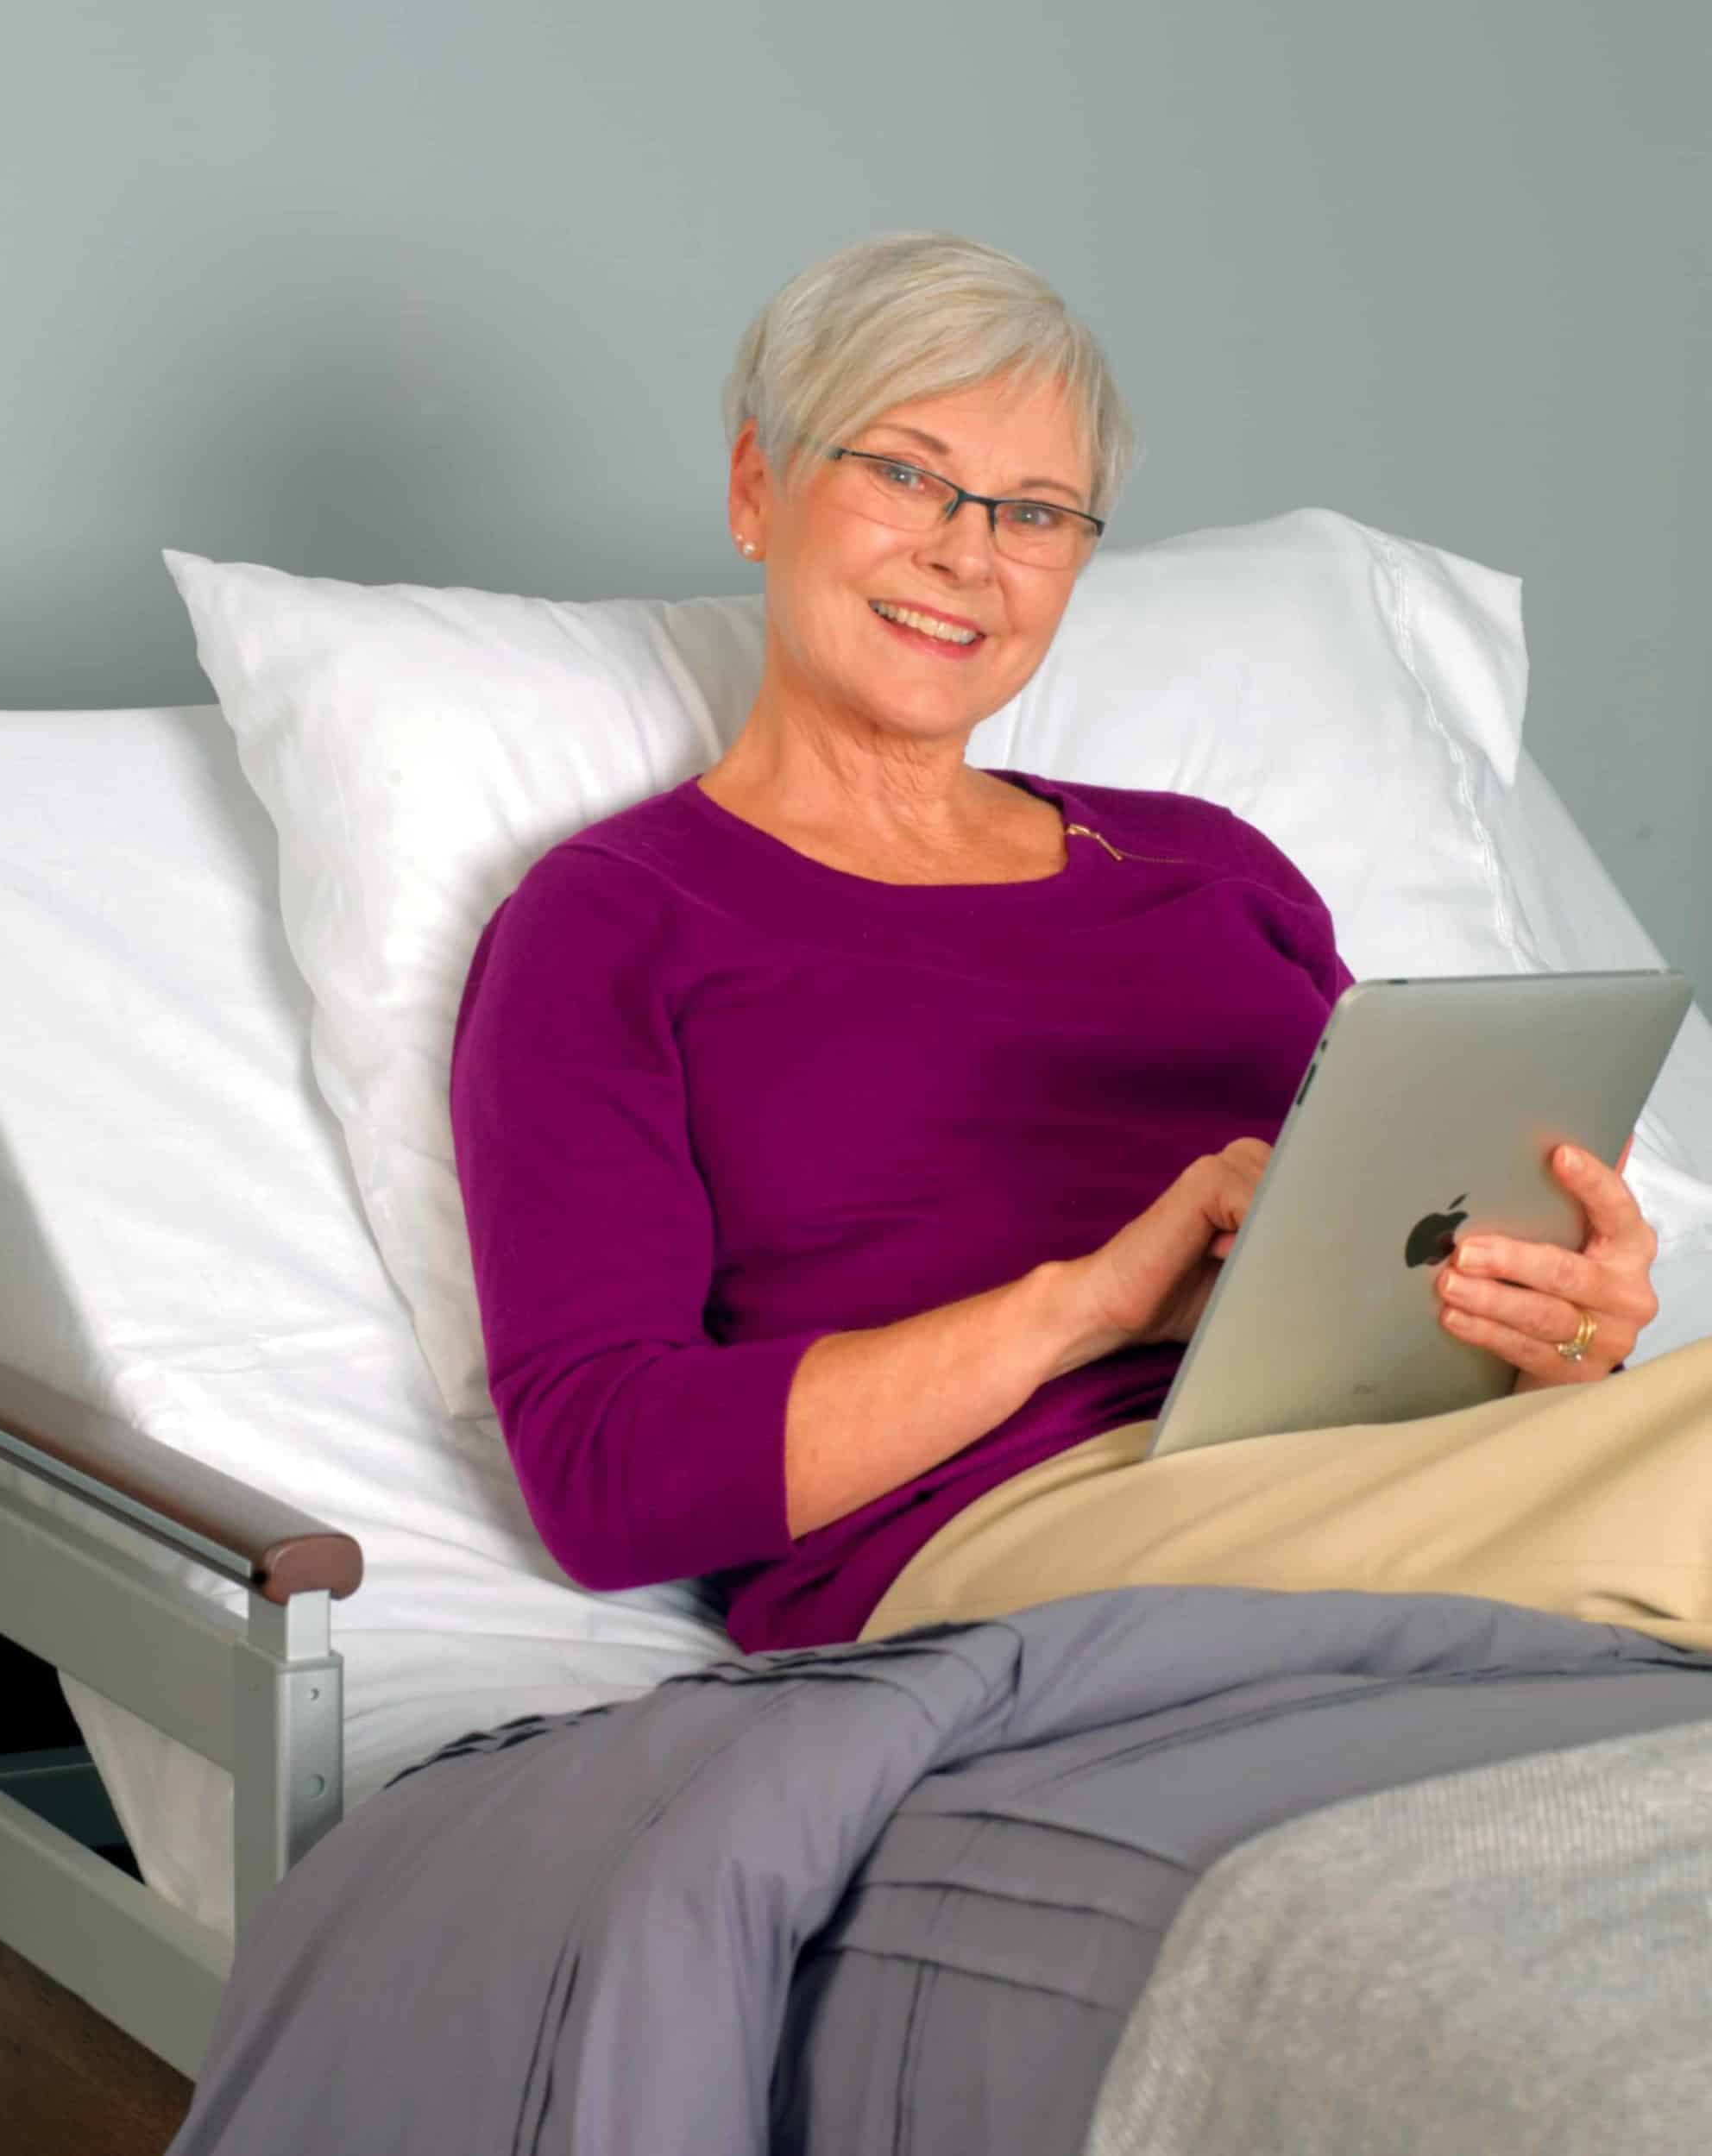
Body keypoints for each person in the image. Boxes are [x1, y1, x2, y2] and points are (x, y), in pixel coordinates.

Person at [447, 229, 1704, 1658]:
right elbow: (609, 1482)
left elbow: (1391, 1281)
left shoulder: (1207, 866)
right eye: (907, 473)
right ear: (758, 487)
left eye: (1037, 514)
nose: (967, 553)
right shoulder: (617, 921)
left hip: (1361, 1473)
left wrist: (1561, 1347)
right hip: (1001, 1534)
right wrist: (1089, 1307)